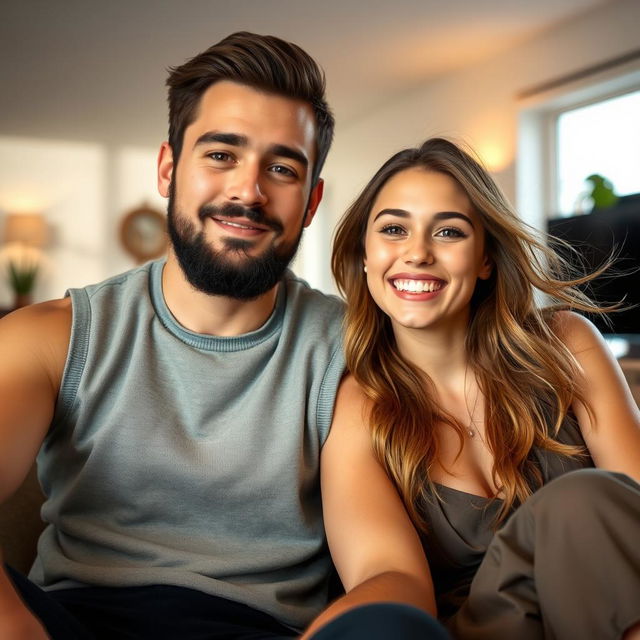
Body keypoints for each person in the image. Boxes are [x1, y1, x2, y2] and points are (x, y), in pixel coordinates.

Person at [0, 33, 448, 640]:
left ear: (312, 201)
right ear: (168, 169)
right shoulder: (51, 337)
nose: (248, 190)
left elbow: (390, 573)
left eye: (283, 167)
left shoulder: (346, 352)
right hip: (71, 621)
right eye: (220, 155)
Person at [331, 136, 640, 639]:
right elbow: (388, 578)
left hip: (609, 608)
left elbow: (634, 508)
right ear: (365, 255)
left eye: (448, 232)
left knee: (586, 501)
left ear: (486, 259)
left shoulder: (567, 342)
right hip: (486, 632)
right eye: (393, 229)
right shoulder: (358, 404)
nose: (417, 253)